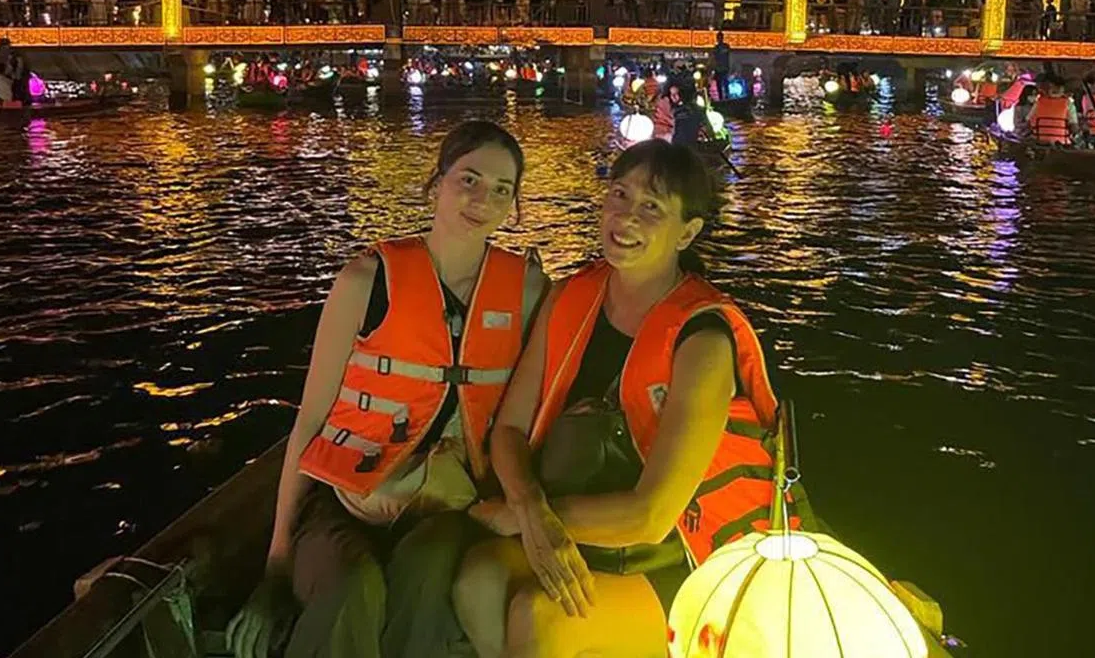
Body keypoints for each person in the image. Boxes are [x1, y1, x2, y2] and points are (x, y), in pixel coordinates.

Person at [453, 140, 789, 658]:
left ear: (688, 233)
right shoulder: (571, 298)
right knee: (475, 579)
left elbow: (651, 515)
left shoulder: (702, 339)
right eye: (619, 194)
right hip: (571, 530)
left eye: (652, 207)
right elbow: (510, 430)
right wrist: (529, 506)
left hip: (672, 560)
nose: (626, 216)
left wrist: (533, 518)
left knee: (539, 615)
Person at [226, 121, 547, 658]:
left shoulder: (531, 293)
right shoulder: (366, 280)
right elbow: (310, 421)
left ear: (513, 206)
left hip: (450, 507)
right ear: (435, 184)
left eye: (501, 189)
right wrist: (275, 567)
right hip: (344, 501)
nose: (481, 200)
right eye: (468, 179)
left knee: (427, 573)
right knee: (354, 587)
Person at [1028, 79, 1079, 146]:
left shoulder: (1038, 103)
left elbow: (1029, 122)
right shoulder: (1068, 104)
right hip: (1061, 145)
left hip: (1039, 143)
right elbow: (1074, 128)